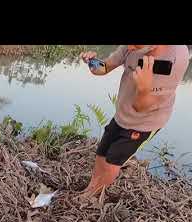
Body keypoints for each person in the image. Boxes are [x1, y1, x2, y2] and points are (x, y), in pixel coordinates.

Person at [79, 45, 190, 197]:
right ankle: (91, 186)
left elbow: (141, 107)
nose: (130, 47)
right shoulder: (130, 47)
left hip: (145, 122)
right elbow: (104, 67)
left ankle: (93, 195)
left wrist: (144, 88)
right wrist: (92, 62)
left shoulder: (175, 58)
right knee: (102, 151)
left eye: (136, 45)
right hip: (122, 114)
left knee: (112, 160)